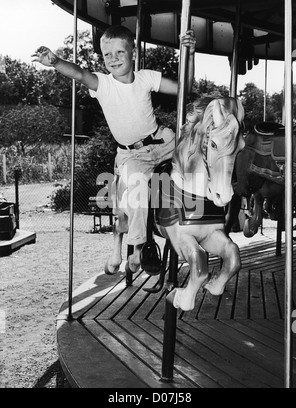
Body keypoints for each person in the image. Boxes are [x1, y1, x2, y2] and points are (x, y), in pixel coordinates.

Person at [32, 25, 196, 273]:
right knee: (139, 188)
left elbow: (184, 87)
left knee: (198, 154)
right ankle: (141, 247)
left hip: (162, 141)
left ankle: (215, 211)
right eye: (107, 54)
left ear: (134, 54)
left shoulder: (146, 77)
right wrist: (55, 61)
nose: (114, 59)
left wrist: (190, 54)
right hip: (131, 154)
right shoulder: (103, 84)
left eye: (120, 52)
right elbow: (79, 74)